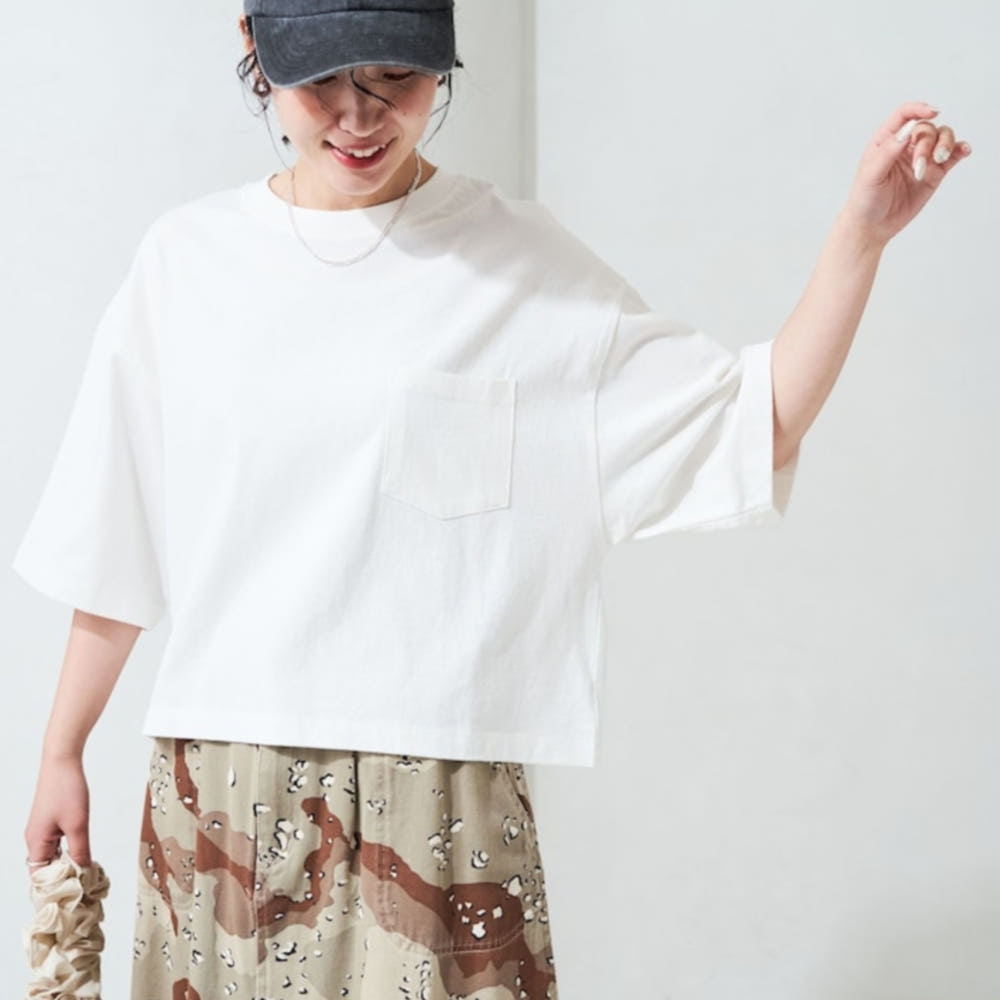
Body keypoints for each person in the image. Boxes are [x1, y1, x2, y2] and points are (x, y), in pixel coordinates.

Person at [15, 1, 970, 997]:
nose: (359, 115)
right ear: (254, 47)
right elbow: (115, 534)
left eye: (397, 75)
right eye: (322, 79)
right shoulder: (187, 262)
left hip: (440, 800)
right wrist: (60, 750)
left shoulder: (520, 265)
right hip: (223, 787)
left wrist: (860, 238)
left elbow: (752, 421)